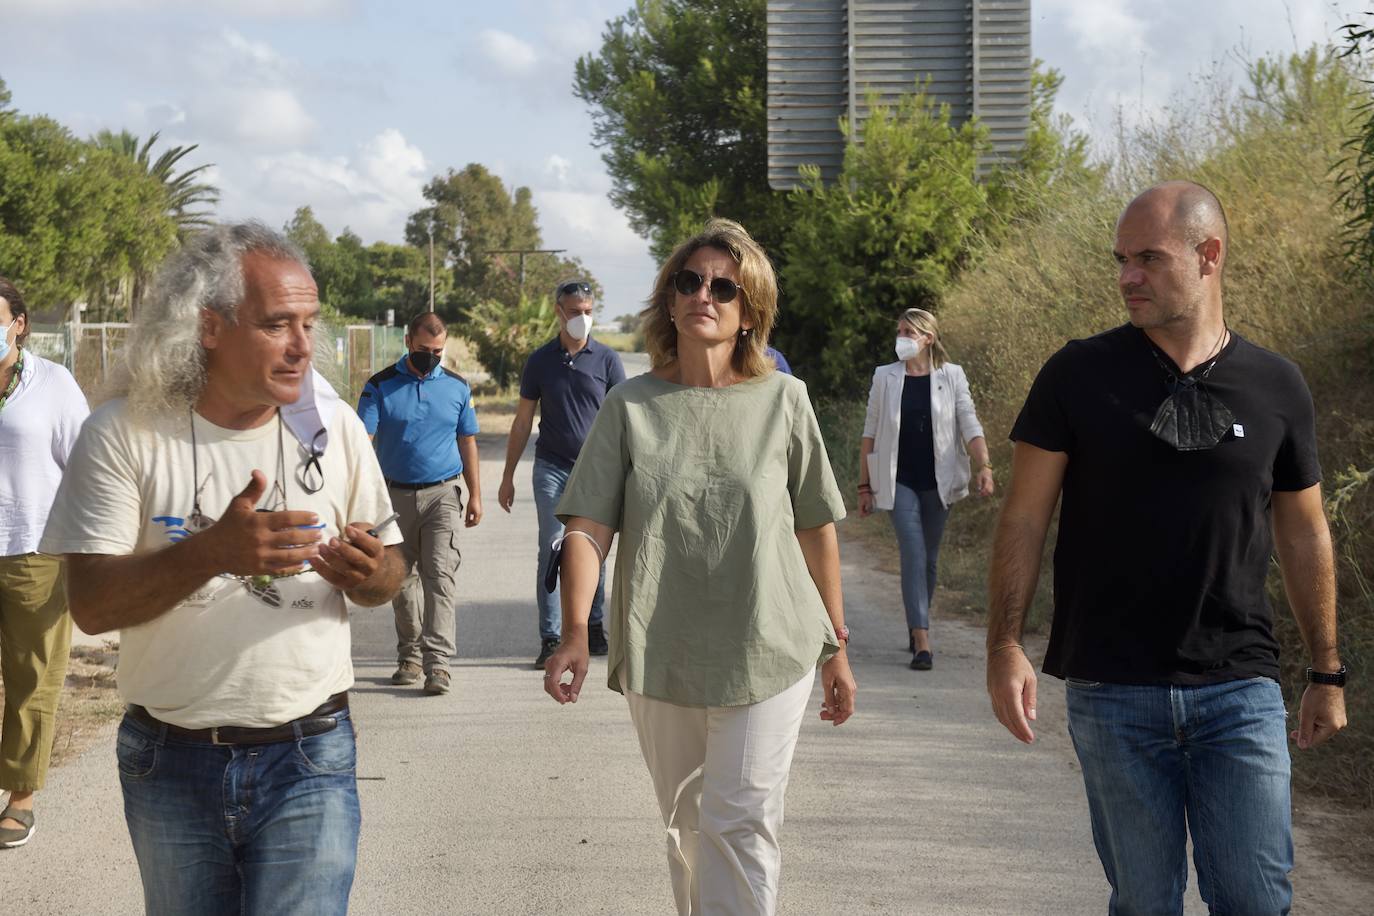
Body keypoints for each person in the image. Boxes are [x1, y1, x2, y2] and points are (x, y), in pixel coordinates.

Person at [986, 181, 1347, 914]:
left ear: (1209, 255)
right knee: (1144, 902)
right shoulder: (1076, 375)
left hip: (1239, 689)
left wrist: (1327, 670)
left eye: (1147, 258)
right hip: (1111, 689)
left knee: (1254, 897)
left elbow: (1304, 529)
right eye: (1120, 259)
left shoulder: (1277, 384)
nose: (1127, 276)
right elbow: (1024, 517)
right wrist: (1003, 645)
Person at [38, 223, 405, 913]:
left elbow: (391, 575)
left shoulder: (331, 424)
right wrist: (213, 551)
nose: (304, 346)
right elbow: (91, 606)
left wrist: (372, 572)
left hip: (311, 755)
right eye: (277, 324)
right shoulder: (124, 432)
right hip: (169, 760)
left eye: (309, 322)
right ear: (208, 326)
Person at [543, 218, 856, 915]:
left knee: (738, 823)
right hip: (664, 647)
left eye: (723, 286)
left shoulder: (784, 400)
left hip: (770, 644)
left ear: (749, 313)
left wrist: (835, 646)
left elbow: (816, 527)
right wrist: (571, 631)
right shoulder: (630, 405)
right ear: (670, 297)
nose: (703, 295)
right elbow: (590, 529)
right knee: (687, 827)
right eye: (690, 281)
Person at [0, 277, 89, 849]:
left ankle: (21, 796)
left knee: (31, 679)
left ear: (19, 323)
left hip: (34, 550)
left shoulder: (54, 384)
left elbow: (84, 466)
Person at [497, 279, 625, 667]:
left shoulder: (607, 360)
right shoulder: (540, 361)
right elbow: (522, 422)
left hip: (596, 471)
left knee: (593, 549)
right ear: (559, 311)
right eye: (574, 312)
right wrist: (507, 476)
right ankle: (551, 637)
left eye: (588, 311)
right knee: (553, 548)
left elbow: (625, 419)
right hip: (552, 468)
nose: (582, 319)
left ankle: (593, 627)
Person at [858, 308, 993, 670]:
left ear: (927, 338)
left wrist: (984, 466)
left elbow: (970, 424)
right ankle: (922, 640)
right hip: (898, 481)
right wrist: (864, 486)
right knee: (913, 553)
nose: (901, 337)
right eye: (899, 330)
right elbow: (869, 433)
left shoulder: (952, 377)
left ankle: (917, 621)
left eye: (908, 332)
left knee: (929, 561)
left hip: (938, 483)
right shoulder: (884, 377)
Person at [358, 312, 482, 695]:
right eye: (425, 349)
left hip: (443, 494)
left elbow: (467, 441)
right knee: (401, 580)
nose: (432, 356)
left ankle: (438, 665)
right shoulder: (380, 386)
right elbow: (362, 440)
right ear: (409, 341)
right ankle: (409, 655)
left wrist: (475, 493)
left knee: (440, 577)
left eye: (439, 351)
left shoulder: (458, 388)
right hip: (393, 497)